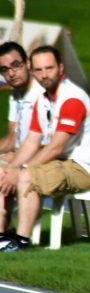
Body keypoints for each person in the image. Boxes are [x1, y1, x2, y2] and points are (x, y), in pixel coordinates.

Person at [0, 45, 90, 252]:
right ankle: (3, 235)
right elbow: (31, 142)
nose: (44, 75)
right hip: (62, 162)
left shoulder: (72, 99)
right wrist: (11, 169)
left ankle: (21, 241)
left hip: (83, 168)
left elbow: (56, 147)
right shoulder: (43, 99)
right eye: (39, 70)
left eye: (49, 68)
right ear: (32, 70)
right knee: (4, 172)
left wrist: (20, 170)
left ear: (61, 68)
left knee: (26, 177)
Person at [0, 41, 43, 241]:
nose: (11, 73)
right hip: (22, 153)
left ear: (27, 64)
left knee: (2, 171)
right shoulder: (16, 95)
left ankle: (3, 233)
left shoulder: (42, 95)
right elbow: (12, 139)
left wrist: (16, 160)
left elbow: (46, 143)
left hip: (42, 157)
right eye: (4, 70)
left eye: (16, 65)